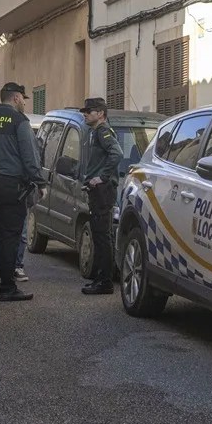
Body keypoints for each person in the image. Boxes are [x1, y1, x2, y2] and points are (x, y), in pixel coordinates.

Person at [0, 83, 46, 302]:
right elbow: (30, 157)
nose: (24, 102)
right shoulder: (19, 121)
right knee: (10, 236)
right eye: (23, 98)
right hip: (12, 186)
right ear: (15, 98)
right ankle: (7, 287)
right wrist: (40, 182)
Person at [79, 97, 123, 295]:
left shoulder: (103, 131)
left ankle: (105, 282)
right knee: (99, 235)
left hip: (103, 192)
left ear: (101, 114)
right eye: (85, 111)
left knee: (103, 236)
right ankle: (100, 278)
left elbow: (117, 153)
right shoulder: (94, 131)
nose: (85, 113)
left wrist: (101, 177)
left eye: (89, 110)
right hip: (97, 191)